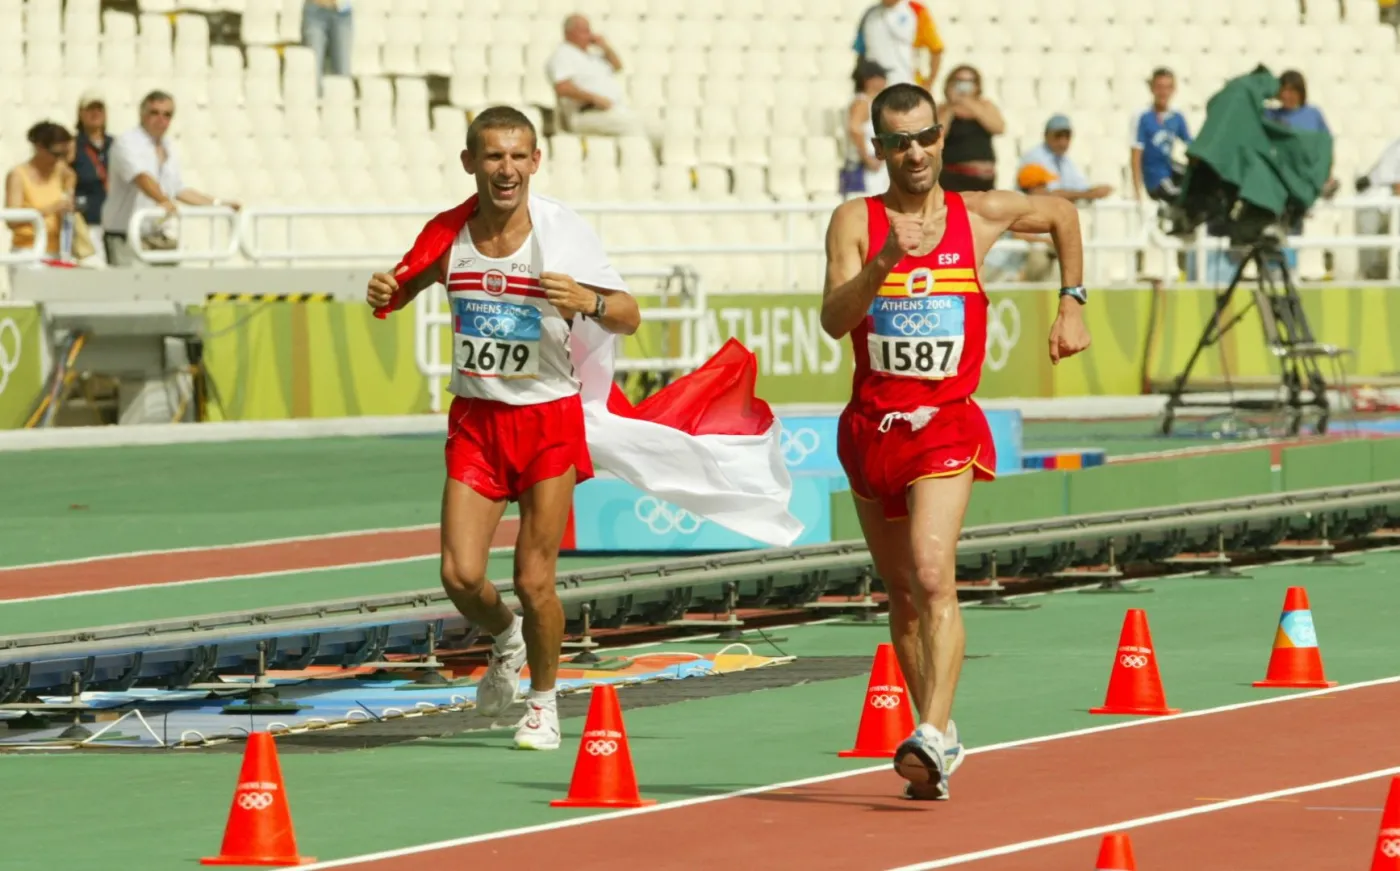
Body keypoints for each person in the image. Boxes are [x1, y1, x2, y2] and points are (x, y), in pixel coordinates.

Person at [820, 83, 1091, 800]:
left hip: (944, 423)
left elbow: (1062, 214)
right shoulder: (854, 220)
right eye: (898, 142)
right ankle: (938, 736)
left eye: (924, 138)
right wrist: (882, 263)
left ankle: (931, 732)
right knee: (901, 592)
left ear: (942, 138)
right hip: (872, 427)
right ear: (880, 149)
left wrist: (1072, 302)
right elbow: (833, 319)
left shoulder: (979, 214)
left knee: (932, 572)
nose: (914, 153)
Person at [365, 106, 643, 751]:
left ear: (536, 161)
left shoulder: (561, 235)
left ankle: (543, 704)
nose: (506, 169)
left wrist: (590, 301)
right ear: (471, 163)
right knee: (460, 576)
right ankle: (506, 636)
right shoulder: (449, 235)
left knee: (534, 579)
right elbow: (400, 286)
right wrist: (384, 291)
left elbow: (629, 314)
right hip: (478, 422)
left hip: (548, 420)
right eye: (493, 156)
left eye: (518, 156)